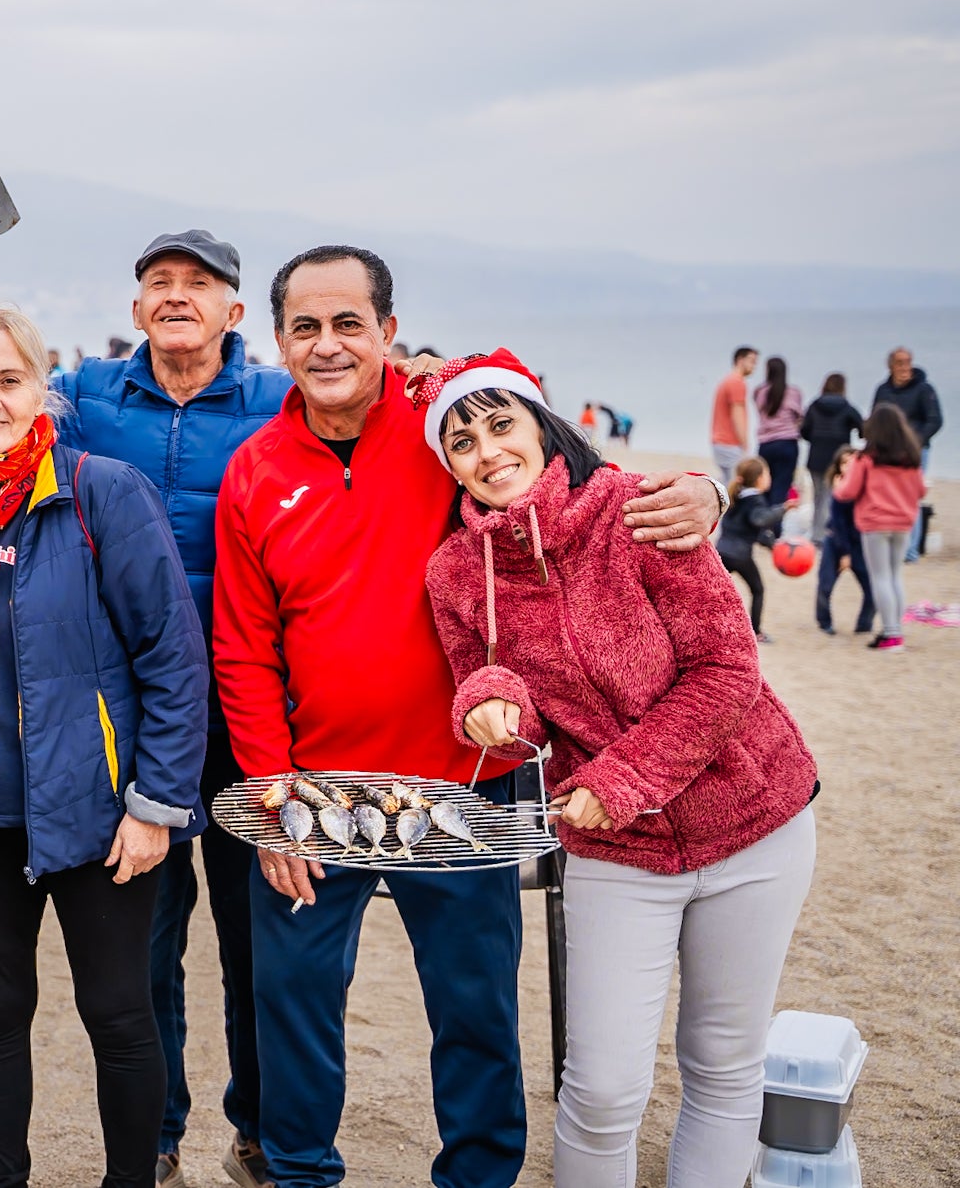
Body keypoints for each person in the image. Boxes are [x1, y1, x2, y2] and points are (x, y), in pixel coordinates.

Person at [211, 246, 724, 1188]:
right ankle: (296, 1171)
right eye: (307, 327)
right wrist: (273, 787)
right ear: (277, 340)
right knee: (291, 1000)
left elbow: (564, 474)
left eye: (350, 324)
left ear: (388, 333)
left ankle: (479, 1177)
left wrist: (706, 492)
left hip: (465, 787)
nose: (329, 345)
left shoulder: (443, 430)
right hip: (318, 792)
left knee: (477, 1010)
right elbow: (245, 647)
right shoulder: (253, 471)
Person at [0, 204, 293, 1188]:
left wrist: (417, 379)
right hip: (84, 747)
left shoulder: (276, 400)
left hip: (228, 714)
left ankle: (256, 1132)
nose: (176, 296)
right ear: (134, 306)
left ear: (231, 308)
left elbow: (366, 420)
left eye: (197, 283)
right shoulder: (79, 399)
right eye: (159, 283)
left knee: (251, 953)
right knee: (140, 969)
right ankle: (159, 1142)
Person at [416, 350, 817, 1188]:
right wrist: (489, 705)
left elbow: (726, 671)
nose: (487, 452)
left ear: (540, 422)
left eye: (500, 425)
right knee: (599, 1087)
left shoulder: (638, 511)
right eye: (461, 442)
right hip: (614, 850)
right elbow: (487, 676)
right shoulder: (456, 570)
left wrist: (622, 779)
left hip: (756, 823)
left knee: (722, 1062)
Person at [0, 303, 208, 1188]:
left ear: (44, 388)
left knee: (118, 1013)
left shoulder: (100, 491)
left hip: (100, 813)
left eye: (9, 379)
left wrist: (156, 806)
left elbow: (173, 657)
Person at [834, 404, 927, 651]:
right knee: (895, 575)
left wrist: (837, 484)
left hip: (875, 524)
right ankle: (895, 629)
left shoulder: (866, 459)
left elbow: (848, 492)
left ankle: (891, 634)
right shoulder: (912, 459)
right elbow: (921, 491)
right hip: (904, 523)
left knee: (881, 577)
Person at [870, 347, 939, 561]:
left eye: (908, 362)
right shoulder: (883, 390)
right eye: (900, 363)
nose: (904, 368)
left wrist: (914, 442)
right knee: (887, 497)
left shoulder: (924, 389)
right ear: (891, 366)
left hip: (915, 451)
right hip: (887, 451)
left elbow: (935, 420)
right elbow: (876, 417)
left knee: (911, 497)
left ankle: (911, 550)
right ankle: (892, 546)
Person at [716, 458, 785, 640]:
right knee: (758, 589)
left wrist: (771, 544)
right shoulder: (755, 500)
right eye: (767, 474)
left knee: (715, 590)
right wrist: (782, 509)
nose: (769, 478)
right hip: (740, 555)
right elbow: (759, 520)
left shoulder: (736, 496)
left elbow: (750, 528)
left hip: (721, 552)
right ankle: (757, 632)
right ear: (759, 479)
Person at [813, 447, 876, 637]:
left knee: (872, 587)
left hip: (859, 544)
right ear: (838, 467)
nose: (848, 467)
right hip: (836, 542)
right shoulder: (839, 491)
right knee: (825, 585)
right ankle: (825, 623)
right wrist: (845, 554)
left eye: (852, 463)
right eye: (844, 463)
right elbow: (838, 525)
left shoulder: (866, 488)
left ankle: (864, 625)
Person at [799, 373, 861, 530]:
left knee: (818, 497)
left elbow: (805, 430)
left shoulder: (814, 406)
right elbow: (862, 428)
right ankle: (827, 532)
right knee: (832, 496)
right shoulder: (847, 408)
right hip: (838, 460)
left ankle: (816, 532)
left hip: (816, 458)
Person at [753, 357, 802, 507]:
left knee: (764, 486)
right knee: (782, 487)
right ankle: (776, 527)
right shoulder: (794, 392)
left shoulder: (760, 392)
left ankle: (764, 524)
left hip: (766, 444)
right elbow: (799, 418)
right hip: (787, 443)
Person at [710, 346, 758, 484]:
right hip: (729, 444)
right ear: (740, 360)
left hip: (720, 442)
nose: (754, 366)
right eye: (751, 361)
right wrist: (745, 445)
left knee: (727, 483)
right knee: (735, 486)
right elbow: (737, 416)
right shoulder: (737, 383)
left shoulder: (727, 381)